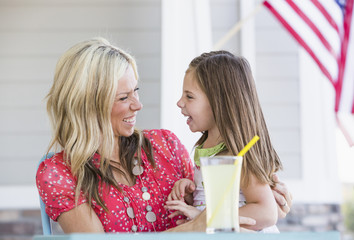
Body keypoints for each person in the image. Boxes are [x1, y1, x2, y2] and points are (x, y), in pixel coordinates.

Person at [36, 38, 291, 233]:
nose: (138, 105)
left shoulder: (165, 145)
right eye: (124, 98)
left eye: (136, 91)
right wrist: (191, 230)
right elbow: (202, 222)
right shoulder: (60, 174)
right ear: (86, 105)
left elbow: (212, 201)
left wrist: (270, 198)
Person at [165, 51, 290, 232]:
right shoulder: (207, 146)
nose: (180, 102)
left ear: (219, 103)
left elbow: (266, 212)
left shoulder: (237, 153)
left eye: (189, 96)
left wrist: (204, 218)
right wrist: (193, 195)